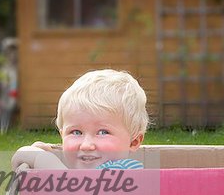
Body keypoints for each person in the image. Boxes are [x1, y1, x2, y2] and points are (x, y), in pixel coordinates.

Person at [12, 69, 148, 170]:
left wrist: (41, 159)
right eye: (76, 132)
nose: (86, 145)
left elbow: (72, 189)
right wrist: (53, 154)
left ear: (133, 141)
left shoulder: (124, 171)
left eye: (103, 132)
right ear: (62, 136)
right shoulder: (83, 167)